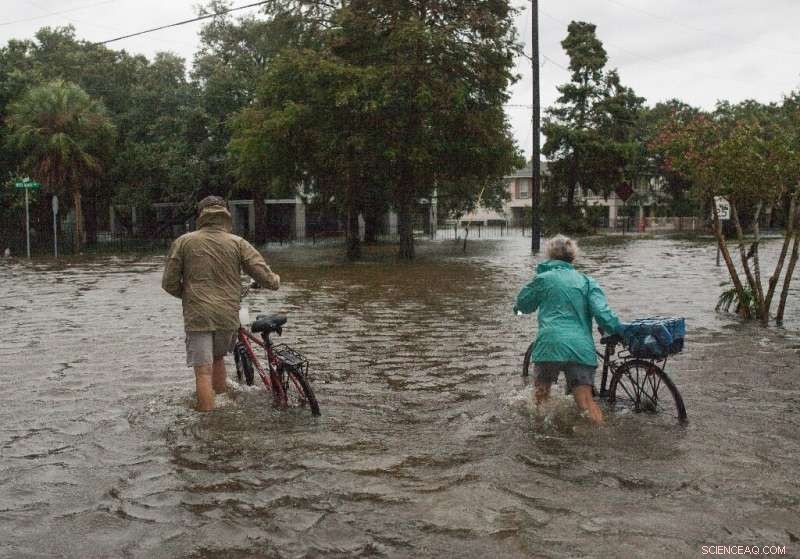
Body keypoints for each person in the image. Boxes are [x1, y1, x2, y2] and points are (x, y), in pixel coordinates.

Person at [162, 196, 280, 411]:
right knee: (218, 361)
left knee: (203, 372)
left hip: (198, 316)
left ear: (200, 215)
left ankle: (208, 424)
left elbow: (169, 283)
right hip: (227, 316)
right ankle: (223, 413)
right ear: (226, 215)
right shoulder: (237, 242)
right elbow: (264, 275)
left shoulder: (184, 242)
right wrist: (275, 282)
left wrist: (190, 296)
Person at [514, 235, 623, 425]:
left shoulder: (542, 279)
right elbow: (603, 314)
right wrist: (619, 331)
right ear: (573, 258)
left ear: (549, 256)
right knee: (586, 403)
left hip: (550, 345)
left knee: (540, 399)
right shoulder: (587, 281)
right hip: (580, 348)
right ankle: (601, 442)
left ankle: (539, 440)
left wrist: (519, 311)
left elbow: (523, 305)